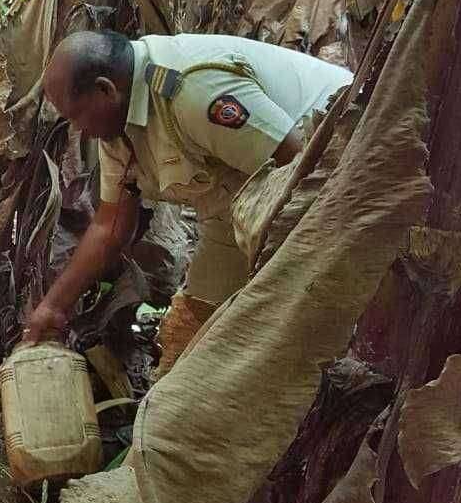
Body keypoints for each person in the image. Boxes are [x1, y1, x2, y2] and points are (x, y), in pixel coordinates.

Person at [23, 29, 352, 363]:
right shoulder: (116, 124)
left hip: (338, 172)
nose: (79, 130)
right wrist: (52, 307)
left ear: (106, 89)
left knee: (295, 332)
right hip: (239, 205)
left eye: (76, 115)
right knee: (193, 337)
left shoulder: (191, 91)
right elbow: (111, 226)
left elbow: (301, 168)